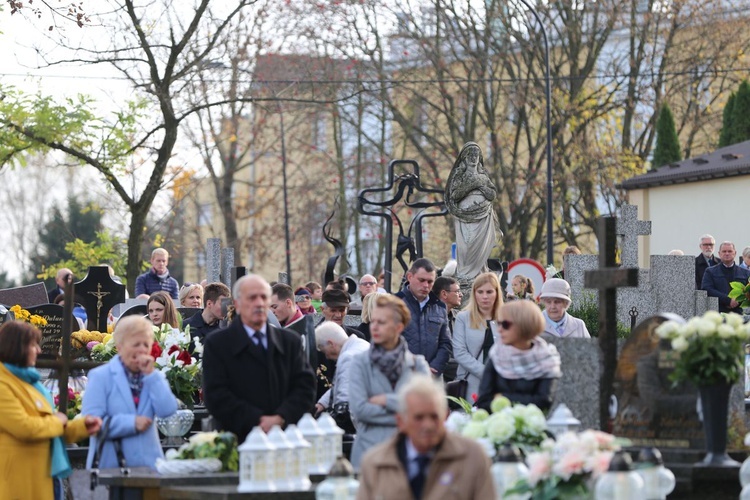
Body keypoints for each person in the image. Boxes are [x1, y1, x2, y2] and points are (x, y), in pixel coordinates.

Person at [202, 275, 316, 441]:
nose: (259, 303)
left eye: (264, 297)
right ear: (237, 304)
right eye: (252, 297)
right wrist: (258, 420)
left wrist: (280, 417)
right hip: (238, 440)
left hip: (284, 439)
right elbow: (215, 395)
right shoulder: (218, 344)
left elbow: (305, 388)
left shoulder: (290, 342)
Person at [0, 321, 102, 500]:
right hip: (19, 480)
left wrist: (81, 427)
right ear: (17, 348)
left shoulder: (32, 383)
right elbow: (26, 428)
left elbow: (50, 428)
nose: (39, 351)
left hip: (44, 476)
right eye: (33, 345)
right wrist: (58, 421)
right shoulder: (3, 385)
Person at [357, 375, 495, 500]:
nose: (428, 425)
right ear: (401, 421)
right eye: (419, 418)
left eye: (434, 417)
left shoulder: (472, 457)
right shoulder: (375, 464)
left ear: (445, 416)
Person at [82, 316, 177, 470]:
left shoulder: (154, 377)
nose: (141, 349)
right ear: (120, 347)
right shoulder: (101, 376)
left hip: (150, 467)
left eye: (145, 344)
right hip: (112, 468)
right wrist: (131, 423)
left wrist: (153, 377)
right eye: (136, 344)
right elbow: (91, 422)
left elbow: (168, 410)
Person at [349, 294, 430, 469]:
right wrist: (406, 412)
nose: (375, 327)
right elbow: (360, 410)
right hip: (369, 455)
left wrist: (387, 400)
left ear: (398, 327)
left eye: (382, 322)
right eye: (374, 321)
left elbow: (426, 409)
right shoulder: (359, 363)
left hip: (409, 455)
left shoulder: (418, 365)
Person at [476, 300, 561, 412]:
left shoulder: (547, 358)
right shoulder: (497, 355)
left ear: (524, 325)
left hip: (533, 426)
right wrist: (526, 401)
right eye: (499, 323)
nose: (499, 329)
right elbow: (483, 401)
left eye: (505, 325)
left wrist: (502, 398)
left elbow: (544, 401)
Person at [444, 142, 500, 281]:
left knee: (481, 249)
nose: (474, 157)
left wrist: (481, 185)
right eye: (470, 154)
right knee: (467, 248)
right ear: (464, 157)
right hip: (465, 216)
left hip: (482, 216)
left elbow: (492, 194)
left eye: (476, 155)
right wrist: (474, 184)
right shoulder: (459, 175)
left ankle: (478, 276)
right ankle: (466, 276)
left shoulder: (483, 175)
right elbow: (455, 195)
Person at [395, 258, 452, 377]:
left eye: (430, 281)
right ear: (409, 277)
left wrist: (434, 368)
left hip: (432, 377)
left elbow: (446, 343)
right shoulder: (394, 303)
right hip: (402, 375)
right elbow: (388, 342)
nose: (426, 285)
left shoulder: (440, 307)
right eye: (421, 280)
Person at [452, 272, 502, 400]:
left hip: (501, 384)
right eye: (480, 292)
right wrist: (486, 373)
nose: (485, 296)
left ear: (497, 293)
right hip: (470, 382)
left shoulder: (508, 317)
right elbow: (459, 352)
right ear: (474, 293)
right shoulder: (463, 318)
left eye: (489, 292)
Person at [313, 321, 370, 433]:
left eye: (323, 350)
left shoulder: (348, 357)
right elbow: (342, 383)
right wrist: (321, 404)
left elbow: (343, 404)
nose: (326, 356)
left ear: (331, 344)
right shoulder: (361, 344)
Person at [271, 283, 317, 367]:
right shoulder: (276, 328)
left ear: (288, 303)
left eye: (274, 307)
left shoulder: (308, 328)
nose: (272, 312)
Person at [701, 241, 750, 314]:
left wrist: (737, 301)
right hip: (717, 312)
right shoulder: (710, 272)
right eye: (724, 251)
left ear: (735, 253)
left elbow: (748, 291)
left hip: (739, 314)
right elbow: (707, 288)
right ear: (719, 254)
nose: (727, 254)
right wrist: (728, 300)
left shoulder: (745, 273)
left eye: (730, 251)